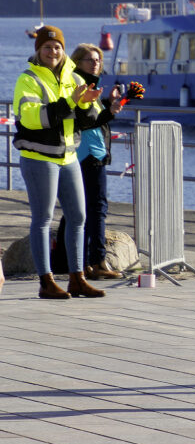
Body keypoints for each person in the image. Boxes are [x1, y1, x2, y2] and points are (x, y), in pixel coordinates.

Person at [13, 25, 106, 299]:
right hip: (39, 157)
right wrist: (71, 101)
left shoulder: (74, 77)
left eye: (57, 47)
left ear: (63, 50)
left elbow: (91, 120)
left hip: (69, 156)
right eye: (47, 47)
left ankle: (77, 278)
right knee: (43, 219)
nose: (52, 51)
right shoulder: (27, 79)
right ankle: (46, 281)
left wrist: (88, 104)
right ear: (38, 51)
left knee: (78, 216)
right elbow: (31, 118)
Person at [69, 44, 124, 280]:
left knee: (80, 210)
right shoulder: (78, 85)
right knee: (94, 209)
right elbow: (85, 122)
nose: (95, 64)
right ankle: (95, 262)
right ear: (77, 62)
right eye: (90, 60)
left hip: (93, 153)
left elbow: (96, 120)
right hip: (87, 154)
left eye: (98, 60)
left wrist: (110, 108)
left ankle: (79, 263)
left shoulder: (91, 87)